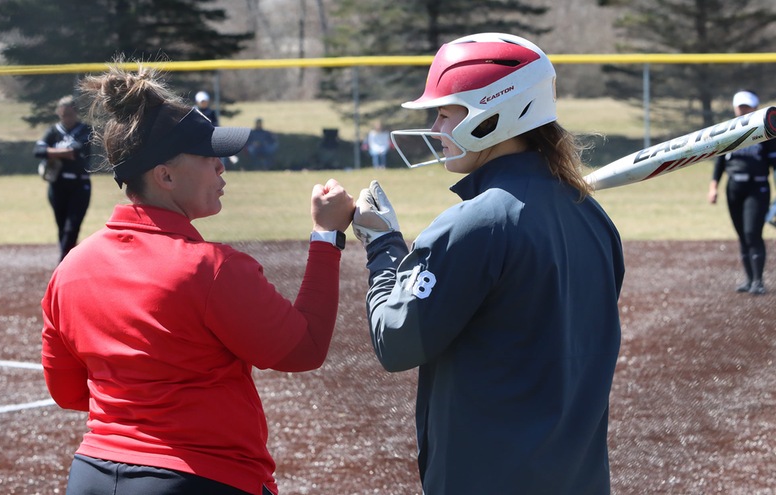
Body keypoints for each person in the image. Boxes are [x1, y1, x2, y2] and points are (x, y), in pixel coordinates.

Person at [41, 63, 354, 495]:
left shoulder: (71, 268)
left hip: (92, 474)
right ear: (164, 176)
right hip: (199, 478)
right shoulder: (210, 267)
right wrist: (327, 235)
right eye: (208, 157)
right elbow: (304, 349)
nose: (221, 166)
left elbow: (67, 391)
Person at [351, 33, 625, 494]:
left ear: (491, 113)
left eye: (444, 112)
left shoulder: (476, 222)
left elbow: (396, 340)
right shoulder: (593, 216)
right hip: (578, 479)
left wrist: (381, 245)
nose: (436, 127)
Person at [708, 90, 776, 295]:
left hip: (758, 188)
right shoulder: (728, 132)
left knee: (752, 233)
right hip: (734, 188)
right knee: (741, 235)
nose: (743, 110)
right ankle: (749, 280)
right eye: (740, 107)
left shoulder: (766, 132)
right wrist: (713, 187)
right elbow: (720, 162)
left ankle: (758, 281)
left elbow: (775, 164)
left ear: (755, 108)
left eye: (747, 107)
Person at [33, 95, 92, 262]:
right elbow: (37, 151)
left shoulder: (85, 130)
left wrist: (51, 152)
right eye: (64, 113)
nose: (67, 117)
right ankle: (67, 262)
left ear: (76, 112)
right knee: (61, 226)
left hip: (79, 185)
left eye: (70, 113)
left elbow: (77, 150)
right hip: (57, 185)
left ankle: (63, 262)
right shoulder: (53, 131)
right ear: (59, 112)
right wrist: (63, 153)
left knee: (72, 227)